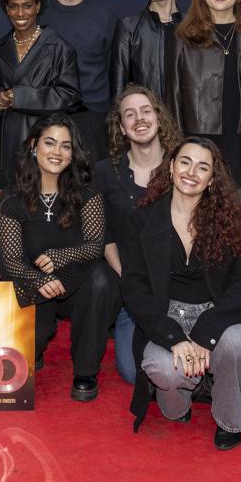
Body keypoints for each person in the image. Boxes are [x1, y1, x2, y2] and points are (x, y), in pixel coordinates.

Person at [122, 137, 241, 450]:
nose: (191, 172)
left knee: (238, 344)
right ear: (171, 167)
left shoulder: (229, 221)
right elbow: (134, 288)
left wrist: (207, 332)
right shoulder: (142, 219)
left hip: (215, 313)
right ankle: (182, 403)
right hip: (165, 316)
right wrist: (174, 337)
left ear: (212, 178)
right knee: (165, 373)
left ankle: (230, 420)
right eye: (185, 162)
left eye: (202, 167)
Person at [0, 113, 116, 402]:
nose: (57, 152)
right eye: (49, 143)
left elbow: (95, 246)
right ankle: (35, 348)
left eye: (65, 145)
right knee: (23, 353)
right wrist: (39, 279)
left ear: (73, 153)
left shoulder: (87, 193)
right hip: (32, 286)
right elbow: (11, 262)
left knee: (101, 278)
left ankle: (85, 371)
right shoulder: (12, 199)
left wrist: (60, 256)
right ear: (33, 145)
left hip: (77, 285)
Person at [95, 85, 181, 384]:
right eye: (130, 114)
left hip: (180, 289)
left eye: (146, 111)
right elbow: (105, 235)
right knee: (135, 374)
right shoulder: (106, 172)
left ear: (158, 117)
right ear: (121, 127)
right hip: (133, 292)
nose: (139, 119)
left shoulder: (181, 166)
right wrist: (129, 280)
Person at [170, 0, 241, 215]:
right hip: (200, 144)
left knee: (237, 224)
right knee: (198, 222)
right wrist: (180, 147)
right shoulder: (184, 37)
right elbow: (174, 96)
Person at [0, 0, 91, 190]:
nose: (20, 13)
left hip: (45, 147)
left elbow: (70, 95)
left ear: (38, 6)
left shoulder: (59, 48)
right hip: (6, 148)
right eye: (14, 6)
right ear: (6, 9)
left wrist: (20, 97)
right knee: (8, 205)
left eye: (27, 6)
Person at [38, 0, 116, 161]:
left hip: (94, 115)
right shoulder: (39, 15)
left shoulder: (105, 16)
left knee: (93, 179)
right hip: (49, 113)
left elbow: (114, 69)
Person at [113, 0, 184, 102]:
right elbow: (119, 89)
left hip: (186, 115)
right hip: (146, 114)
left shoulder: (192, 26)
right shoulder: (128, 27)